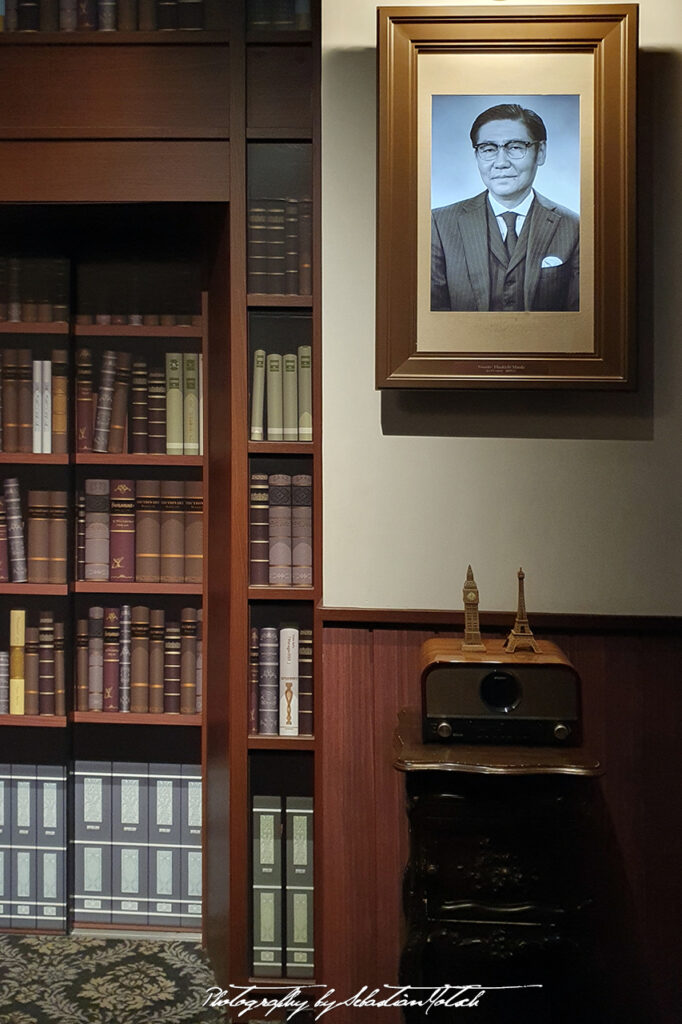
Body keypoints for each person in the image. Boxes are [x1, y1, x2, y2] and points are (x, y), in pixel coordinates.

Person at [430, 103, 579, 312]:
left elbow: (579, 324)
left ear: (541, 152)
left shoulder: (574, 227)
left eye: (516, 147)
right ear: (477, 156)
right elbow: (432, 321)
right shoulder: (439, 224)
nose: (501, 162)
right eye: (488, 149)